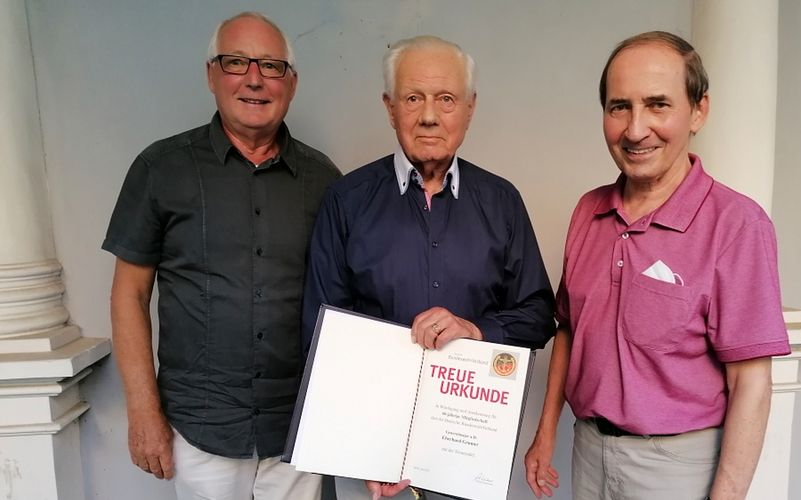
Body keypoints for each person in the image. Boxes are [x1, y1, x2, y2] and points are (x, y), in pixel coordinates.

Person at [524, 31, 791, 500]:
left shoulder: (737, 225)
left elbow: (751, 381)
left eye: (658, 105)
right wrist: (546, 432)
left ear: (699, 111)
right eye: (619, 106)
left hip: (678, 469)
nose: (635, 129)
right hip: (587, 451)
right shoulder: (588, 211)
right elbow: (568, 329)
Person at [302, 35, 555, 500]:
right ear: (390, 107)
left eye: (446, 99)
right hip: (372, 460)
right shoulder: (347, 201)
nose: (430, 115)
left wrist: (476, 330)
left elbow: (539, 314)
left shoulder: (502, 203)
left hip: (467, 451)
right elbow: (322, 331)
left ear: (470, 107)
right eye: (413, 98)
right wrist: (359, 450)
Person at [103, 12, 340, 500]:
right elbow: (129, 294)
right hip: (200, 424)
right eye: (236, 62)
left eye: (271, 66)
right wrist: (143, 410)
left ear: (291, 84)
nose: (254, 78)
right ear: (212, 74)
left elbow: (344, 299)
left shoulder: (325, 181)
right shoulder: (160, 169)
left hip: (297, 427)